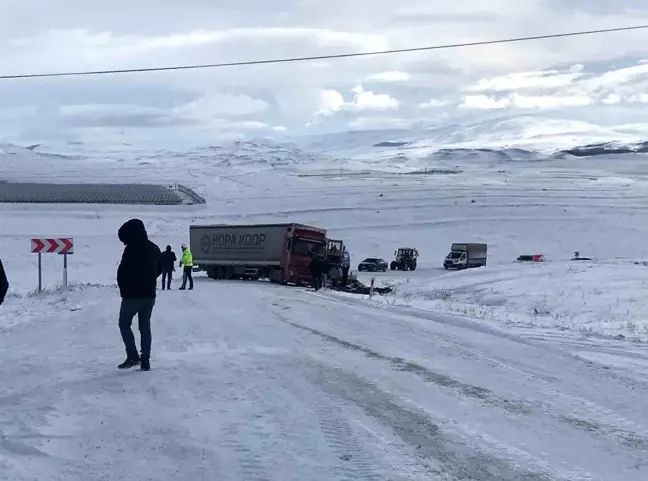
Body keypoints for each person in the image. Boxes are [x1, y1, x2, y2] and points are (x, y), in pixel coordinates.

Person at [116, 218, 162, 371]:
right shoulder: (154, 248)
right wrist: (149, 280)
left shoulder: (130, 250)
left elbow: (122, 272)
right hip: (149, 295)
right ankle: (145, 361)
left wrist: (124, 288)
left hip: (131, 296)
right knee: (145, 327)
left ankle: (133, 356)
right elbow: (160, 269)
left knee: (124, 324)